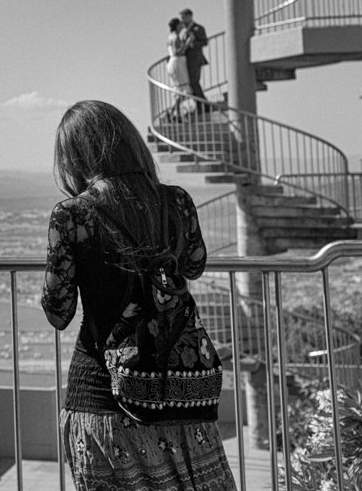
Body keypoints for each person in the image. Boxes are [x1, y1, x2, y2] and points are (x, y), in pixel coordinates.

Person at [41, 100, 235, 491]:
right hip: (182, 398)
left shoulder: (72, 216)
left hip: (103, 396)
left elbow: (59, 312)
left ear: (75, 158)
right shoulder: (176, 201)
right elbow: (194, 265)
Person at [179, 8, 209, 112]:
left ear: (189, 16)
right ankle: (199, 105)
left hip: (195, 59)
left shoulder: (198, 28)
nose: (182, 20)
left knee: (194, 82)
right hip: (185, 60)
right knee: (190, 83)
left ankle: (203, 104)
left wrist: (193, 44)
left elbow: (205, 42)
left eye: (183, 17)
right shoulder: (183, 30)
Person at [165, 17, 194, 120]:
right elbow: (178, 51)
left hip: (172, 63)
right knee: (182, 89)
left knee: (179, 90)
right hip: (178, 61)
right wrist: (188, 42)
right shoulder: (176, 37)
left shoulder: (169, 37)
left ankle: (174, 112)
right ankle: (174, 112)